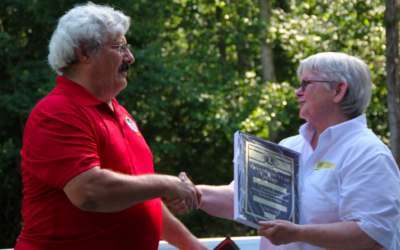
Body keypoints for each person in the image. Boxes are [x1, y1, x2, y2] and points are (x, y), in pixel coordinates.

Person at [15, 3, 208, 250]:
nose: (130, 57)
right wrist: (167, 184)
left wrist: (193, 246)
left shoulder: (118, 112)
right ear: (84, 53)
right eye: (120, 48)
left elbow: (140, 197)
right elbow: (89, 191)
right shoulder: (57, 112)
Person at [170, 52, 400, 249]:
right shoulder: (290, 147)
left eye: (306, 84)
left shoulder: (368, 154)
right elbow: (244, 200)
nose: (297, 92)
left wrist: (297, 233)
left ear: (338, 90)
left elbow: (371, 234)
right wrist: (193, 194)